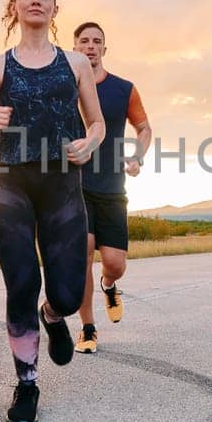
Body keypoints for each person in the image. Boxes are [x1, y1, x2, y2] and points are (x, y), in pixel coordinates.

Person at [0, 0, 105, 422]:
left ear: (55, 9)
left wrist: (90, 143)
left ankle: (53, 315)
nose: (36, 0)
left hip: (62, 184)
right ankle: (26, 384)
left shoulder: (78, 64)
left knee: (64, 292)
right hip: (7, 184)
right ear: (15, 6)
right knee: (21, 283)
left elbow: (97, 123)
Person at [72, 21, 152, 352]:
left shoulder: (124, 89)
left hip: (112, 187)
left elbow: (144, 127)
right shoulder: (65, 87)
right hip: (74, 187)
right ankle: (88, 329)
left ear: (104, 49)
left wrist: (137, 156)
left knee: (115, 263)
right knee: (82, 256)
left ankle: (109, 285)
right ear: (74, 48)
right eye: (84, 41)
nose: (90, 46)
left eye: (97, 42)